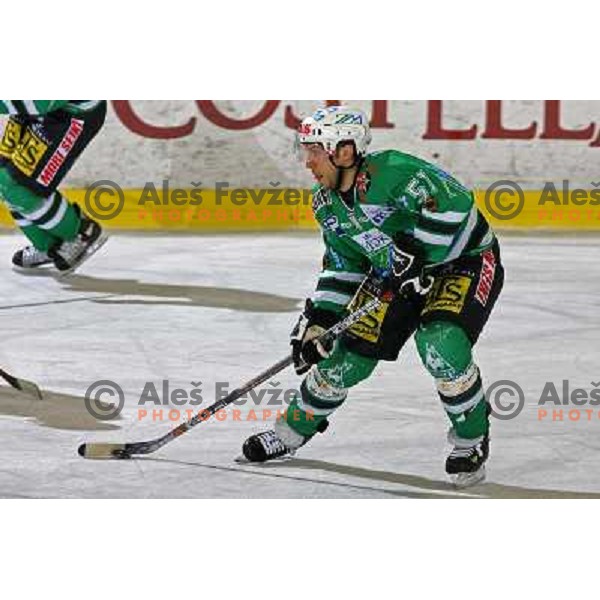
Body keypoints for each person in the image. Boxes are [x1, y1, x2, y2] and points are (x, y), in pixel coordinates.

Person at [242, 105, 504, 487]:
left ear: (343, 151)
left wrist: (417, 248)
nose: (307, 162)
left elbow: (457, 205)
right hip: (394, 278)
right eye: (306, 151)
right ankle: (291, 432)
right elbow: (343, 264)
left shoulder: (393, 172)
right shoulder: (326, 206)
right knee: (345, 357)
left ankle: (471, 436)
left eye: (315, 151)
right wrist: (321, 321)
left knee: (440, 342)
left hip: (462, 262)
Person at [0, 100, 108, 274]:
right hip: (39, 109)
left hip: (71, 115)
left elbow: (44, 102)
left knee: (17, 186)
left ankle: (79, 232)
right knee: (2, 175)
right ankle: (48, 246)